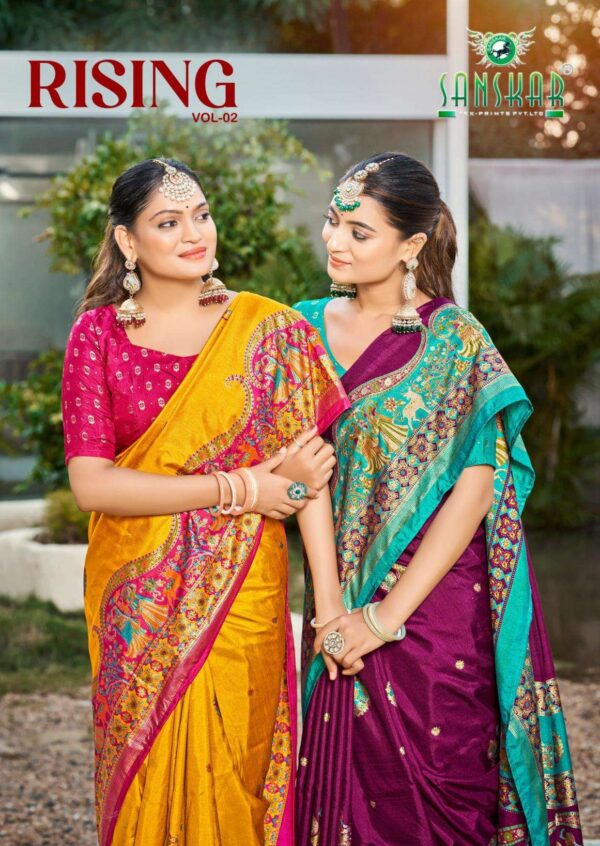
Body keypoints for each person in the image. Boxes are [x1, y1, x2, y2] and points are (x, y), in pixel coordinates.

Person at [293, 152, 582, 845]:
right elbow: (306, 474)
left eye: (360, 232)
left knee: (444, 788)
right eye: (333, 222)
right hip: (336, 597)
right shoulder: (299, 329)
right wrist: (332, 615)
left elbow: (476, 490)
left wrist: (383, 619)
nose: (335, 241)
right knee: (341, 793)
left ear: (412, 245)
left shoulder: (455, 340)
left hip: (436, 608)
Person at [61, 158, 350, 846]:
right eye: (169, 222)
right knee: (146, 777)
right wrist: (245, 487)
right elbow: (93, 484)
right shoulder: (97, 336)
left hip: (244, 593)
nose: (194, 234)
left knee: (240, 771)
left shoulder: (268, 329)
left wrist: (330, 608)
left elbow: (308, 480)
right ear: (128, 241)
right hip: (137, 600)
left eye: (201, 215)